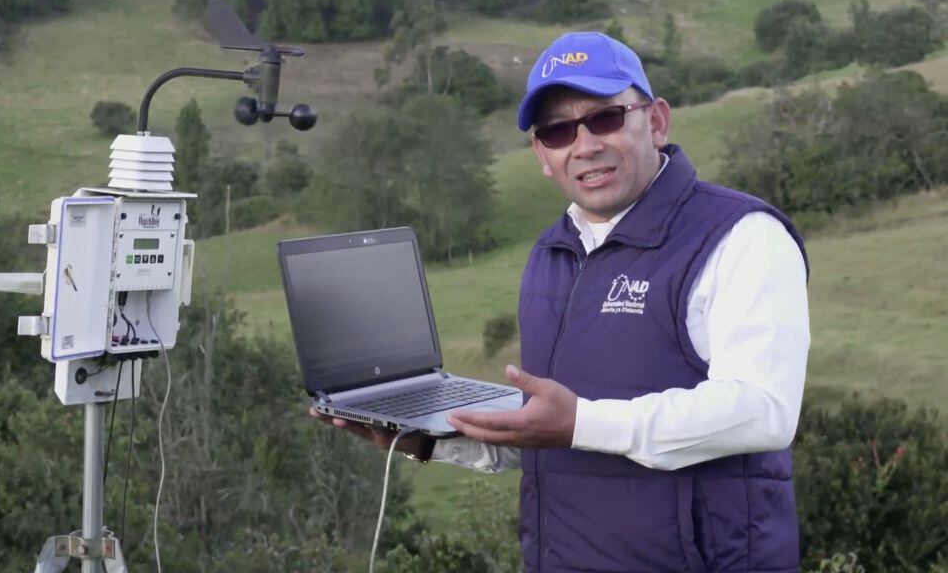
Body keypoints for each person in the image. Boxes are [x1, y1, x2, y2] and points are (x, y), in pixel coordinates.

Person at [311, 31, 810, 573]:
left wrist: (579, 424)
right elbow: (548, 431)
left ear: (657, 121)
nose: (585, 144)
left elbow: (764, 412)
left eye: (606, 118)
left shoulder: (742, 235)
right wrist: (427, 440)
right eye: (557, 130)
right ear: (542, 154)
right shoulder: (552, 253)